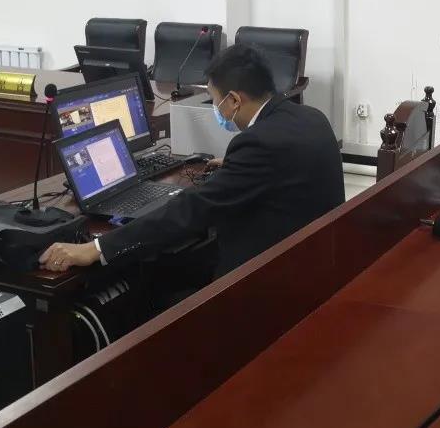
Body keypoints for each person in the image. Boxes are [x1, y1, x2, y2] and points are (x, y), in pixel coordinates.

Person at [40, 45, 345, 286]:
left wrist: (96, 248)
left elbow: (191, 209)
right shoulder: (310, 117)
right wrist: (237, 167)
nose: (216, 108)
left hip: (272, 280)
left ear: (234, 100)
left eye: (214, 100)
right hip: (319, 260)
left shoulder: (258, 145)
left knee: (155, 276)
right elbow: (280, 169)